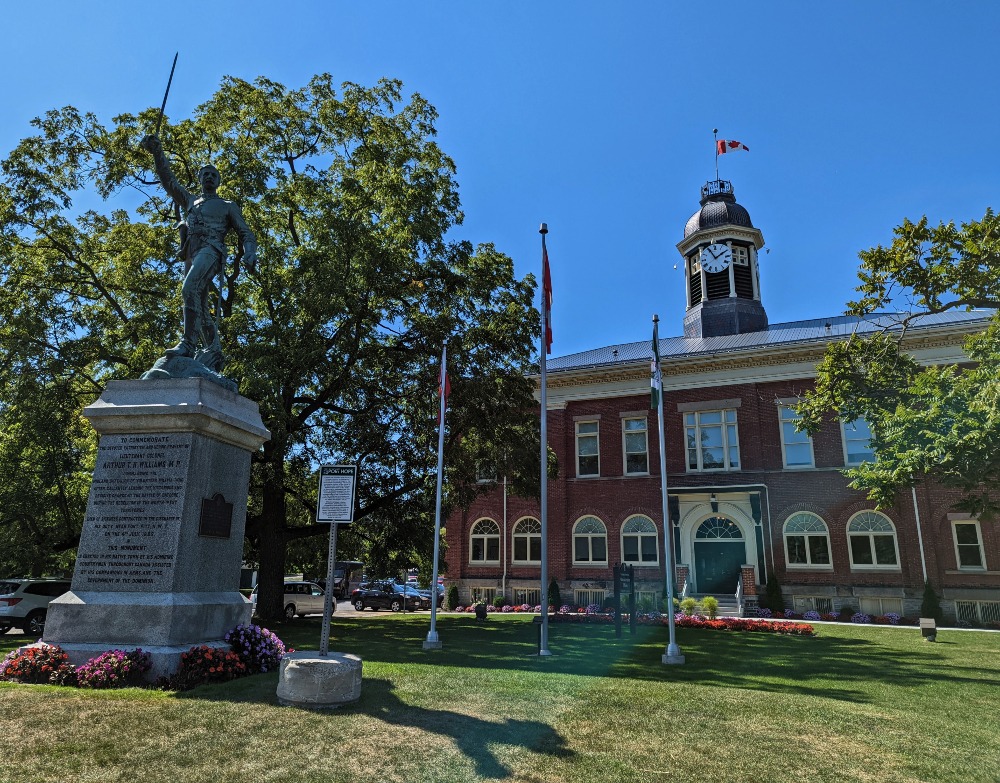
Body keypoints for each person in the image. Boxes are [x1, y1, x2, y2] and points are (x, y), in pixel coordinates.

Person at [140, 134, 257, 368]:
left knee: (189, 288)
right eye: (206, 174)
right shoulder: (190, 201)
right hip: (191, 252)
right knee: (200, 305)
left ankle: (187, 344)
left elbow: (246, 233)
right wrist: (157, 152)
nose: (210, 177)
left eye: (214, 175)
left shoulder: (227, 206)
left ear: (218, 181)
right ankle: (213, 350)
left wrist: (250, 252)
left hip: (212, 249)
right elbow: (168, 180)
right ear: (200, 178)